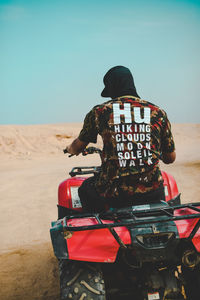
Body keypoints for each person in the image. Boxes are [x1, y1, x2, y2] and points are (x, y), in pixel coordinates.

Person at [65, 66, 176, 212]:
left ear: (112, 88)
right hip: (152, 192)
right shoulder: (158, 112)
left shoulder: (100, 112)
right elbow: (170, 158)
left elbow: (78, 146)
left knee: (85, 189)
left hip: (115, 194)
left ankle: (99, 230)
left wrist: (70, 149)